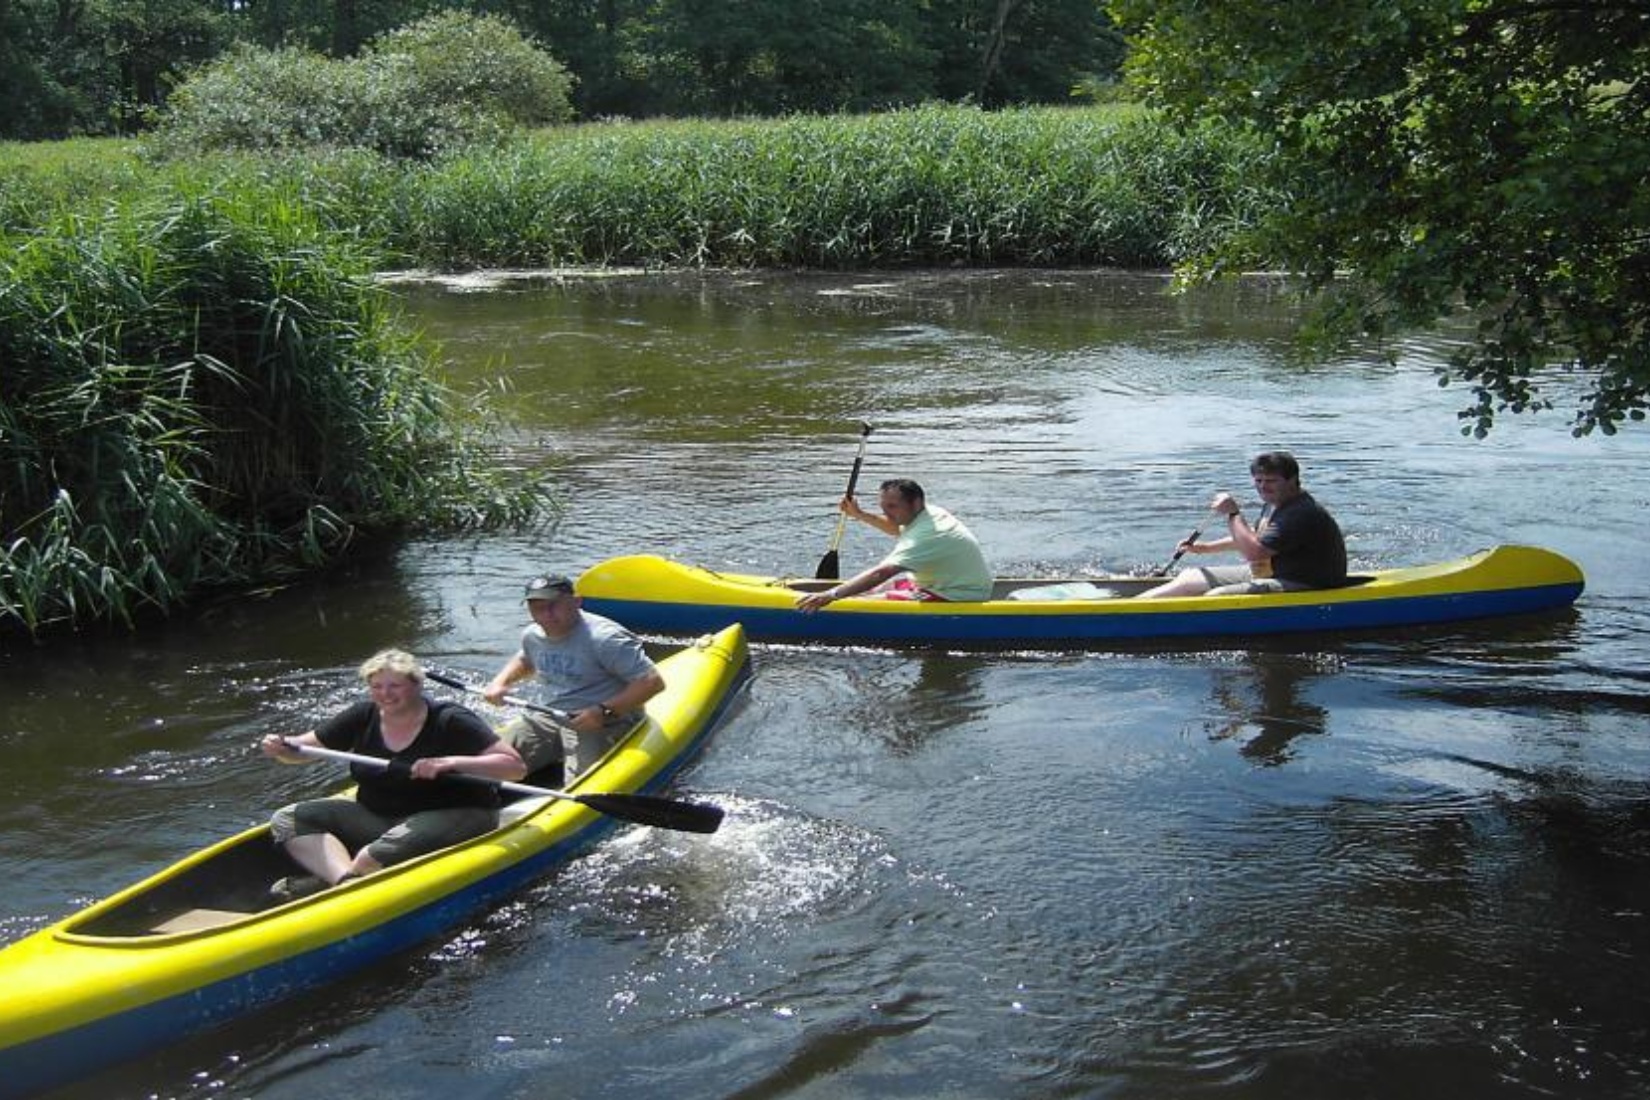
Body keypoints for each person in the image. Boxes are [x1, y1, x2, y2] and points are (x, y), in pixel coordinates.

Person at [259, 648, 526, 901]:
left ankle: (343, 881)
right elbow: (301, 751)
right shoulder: (363, 715)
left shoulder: (450, 719)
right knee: (289, 818)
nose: (385, 694)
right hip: (381, 816)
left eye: (395, 686)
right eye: (377, 686)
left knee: (368, 858)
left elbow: (514, 768)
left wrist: (450, 762)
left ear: (417, 685)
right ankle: (346, 884)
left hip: (460, 812)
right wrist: (282, 746)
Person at [483, 573, 666, 781]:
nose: (546, 615)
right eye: (537, 608)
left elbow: (652, 682)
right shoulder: (532, 635)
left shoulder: (605, 638)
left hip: (607, 721)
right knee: (487, 756)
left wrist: (603, 711)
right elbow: (526, 658)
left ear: (576, 601)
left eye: (554, 605)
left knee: (582, 781)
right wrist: (500, 682)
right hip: (551, 714)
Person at [1138, 451, 1347, 599]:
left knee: (1215, 596)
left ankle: (1145, 614)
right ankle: (1138, 605)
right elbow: (1254, 536)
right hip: (1274, 572)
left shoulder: (1300, 512)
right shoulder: (1275, 503)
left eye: (1271, 481)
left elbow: (1255, 552)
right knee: (1192, 576)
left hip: (1306, 582)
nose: (1263, 487)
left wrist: (1233, 513)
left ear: (1292, 480)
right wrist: (1204, 548)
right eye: (1259, 481)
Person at [797, 478, 993, 610]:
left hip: (956, 595)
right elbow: (895, 528)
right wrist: (860, 515)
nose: (888, 513)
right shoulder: (927, 514)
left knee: (861, 601)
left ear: (915, 503)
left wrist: (831, 595)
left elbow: (881, 573)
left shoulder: (928, 534)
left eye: (892, 507)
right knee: (865, 590)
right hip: (937, 584)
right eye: (884, 507)